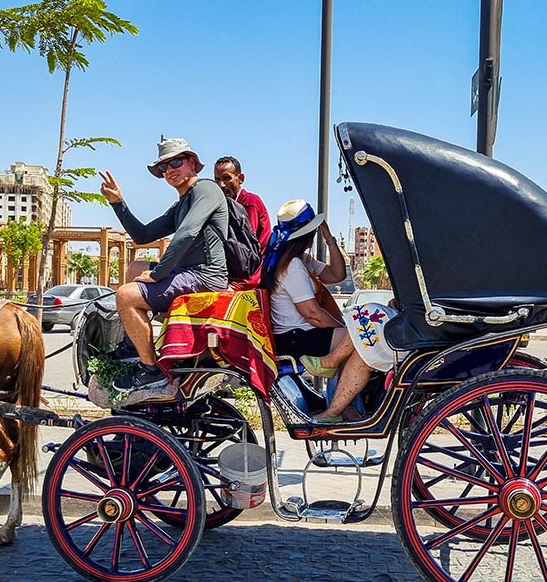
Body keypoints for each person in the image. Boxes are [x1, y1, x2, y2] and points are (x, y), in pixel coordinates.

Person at [99, 137, 229, 392]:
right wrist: (118, 203)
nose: (169, 170)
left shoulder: (206, 189)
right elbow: (142, 235)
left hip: (205, 276)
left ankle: (151, 371)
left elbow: (188, 233)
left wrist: (159, 273)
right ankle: (131, 344)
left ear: (192, 163)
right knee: (135, 267)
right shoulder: (183, 201)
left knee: (125, 296)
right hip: (188, 272)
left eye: (176, 162)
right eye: (163, 167)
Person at [263, 199, 394, 422]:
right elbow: (312, 314)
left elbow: (336, 275)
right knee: (366, 337)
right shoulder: (292, 265)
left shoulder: (301, 260)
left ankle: (341, 406)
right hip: (297, 336)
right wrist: (348, 330)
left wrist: (330, 239)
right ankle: (340, 407)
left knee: (363, 342)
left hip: (303, 333)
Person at [213, 156, 272, 290]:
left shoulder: (249, 202)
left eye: (227, 178)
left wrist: (241, 284)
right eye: (217, 179)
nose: (221, 185)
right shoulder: (224, 206)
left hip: (250, 279)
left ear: (240, 178)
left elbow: (248, 249)